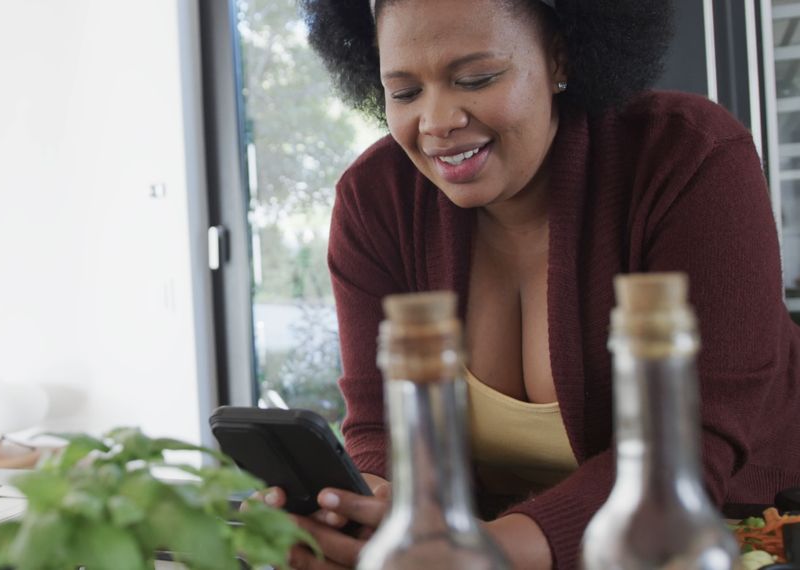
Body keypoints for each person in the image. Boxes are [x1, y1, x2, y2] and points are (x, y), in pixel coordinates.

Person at [263, 0, 800, 569]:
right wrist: (369, 508)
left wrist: (480, 552)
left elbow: (691, 446)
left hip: (736, 533)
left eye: (476, 78)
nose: (436, 121)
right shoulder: (375, 201)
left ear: (560, 56)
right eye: (404, 92)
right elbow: (382, 425)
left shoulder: (686, 156)